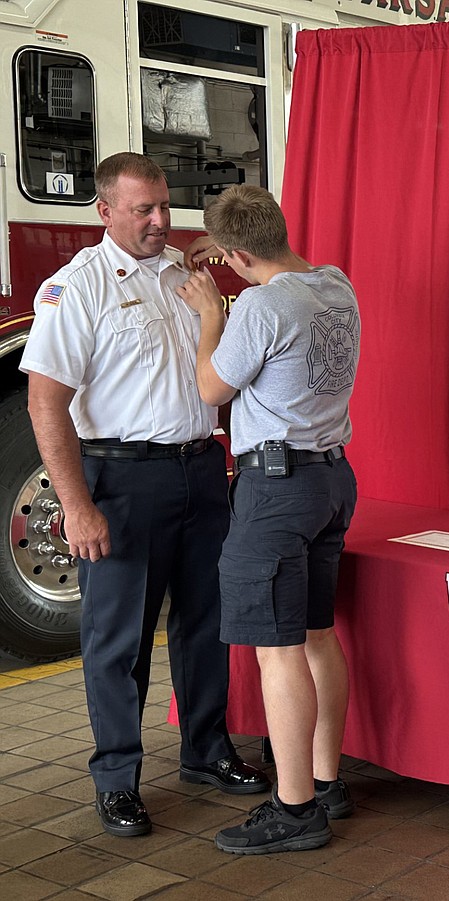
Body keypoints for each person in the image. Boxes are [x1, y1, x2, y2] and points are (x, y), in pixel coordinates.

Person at [20, 152, 270, 838]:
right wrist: (76, 506)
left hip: (197, 469)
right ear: (105, 211)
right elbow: (45, 403)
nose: (161, 220)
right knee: (118, 638)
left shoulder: (181, 275)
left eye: (164, 206)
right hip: (122, 479)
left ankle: (206, 750)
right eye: (144, 210)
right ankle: (117, 779)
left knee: (206, 621)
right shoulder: (79, 287)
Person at [175, 184, 360, 854]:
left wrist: (208, 314)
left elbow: (210, 389)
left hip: (276, 489)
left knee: (277, 649)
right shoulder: (334, 282)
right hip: (332, 477)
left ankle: (295, 807)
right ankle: (327, 779)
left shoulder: (256, 305)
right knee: (316, 634)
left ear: (235, 254)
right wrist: (237, 260)